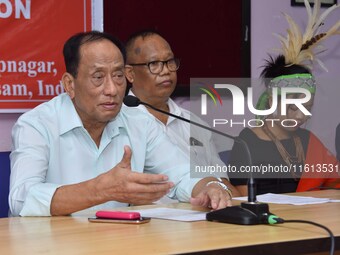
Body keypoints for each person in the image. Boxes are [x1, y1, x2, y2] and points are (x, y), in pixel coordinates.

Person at [9, 31, 232, 217]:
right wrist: (101, 189)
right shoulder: (36, 125)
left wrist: (210, 186)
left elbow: (181, 172)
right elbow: (21, 198)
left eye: (118, 76)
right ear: (70, 84)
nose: (112, 89)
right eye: (98, 77)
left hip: (120, 243)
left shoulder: (139, 120)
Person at [229, 0, 340, 196]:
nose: (300, 116)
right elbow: (244, 200)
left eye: (307, 108)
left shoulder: (309, 141)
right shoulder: (246, 143)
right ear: (272, 100)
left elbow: (334, 184)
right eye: (292, 107)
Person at [124, 30, 240, 198]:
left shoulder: (194, 123)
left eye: (170, 61)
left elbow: (222, 182)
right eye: (154, 64)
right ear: (130, 73)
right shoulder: (120, 122)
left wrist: (221, 193)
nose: (165, 71)